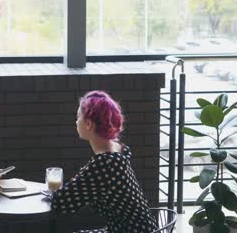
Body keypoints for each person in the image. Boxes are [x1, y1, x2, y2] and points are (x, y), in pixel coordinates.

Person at [51, 91, 158, 233]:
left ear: (88, 124)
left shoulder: (105, 163)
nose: (76, 121)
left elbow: (60, 203)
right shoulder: (117, 148)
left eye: (78, 117)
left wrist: (51, 191)